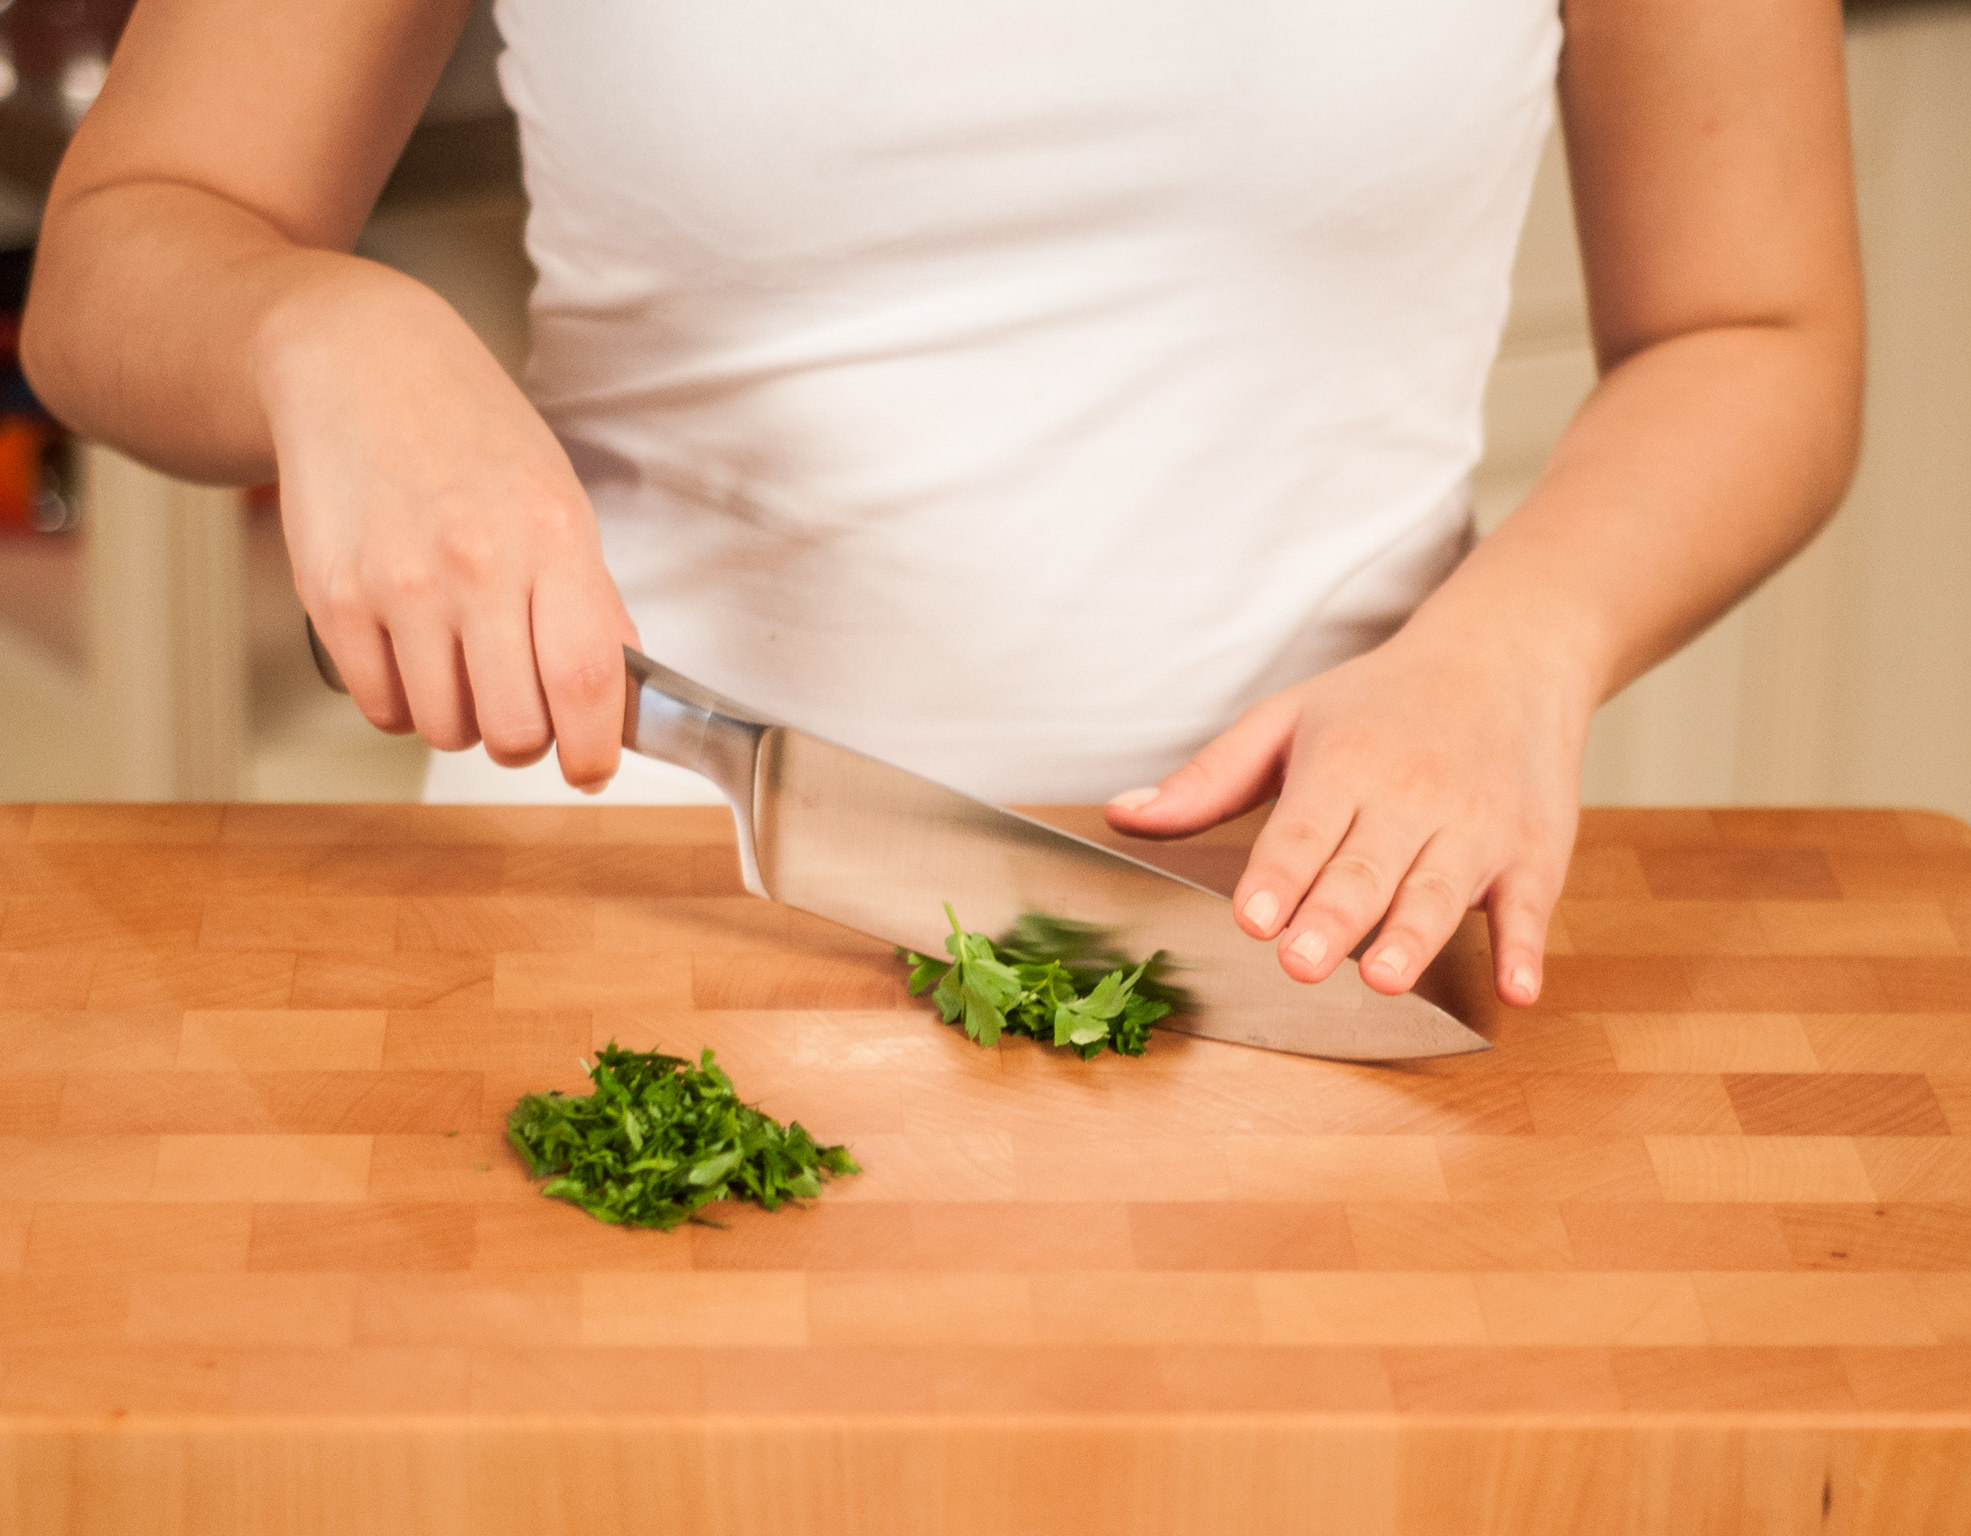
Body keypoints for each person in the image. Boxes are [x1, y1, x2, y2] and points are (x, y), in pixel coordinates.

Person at [21, 0, 1863, 1010]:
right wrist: (319, 329)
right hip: (610, 920)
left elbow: (1756, 326)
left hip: (1306, 947)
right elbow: (122, 250)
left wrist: (1517, 652)